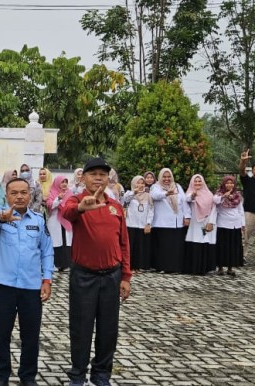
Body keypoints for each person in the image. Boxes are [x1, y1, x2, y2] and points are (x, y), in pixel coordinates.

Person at [59, 157, 131, 386]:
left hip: (111, 276)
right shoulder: (76, 201)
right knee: (81, 328)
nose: (99, 177)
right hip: (84, 276)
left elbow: (124, 244)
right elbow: (66, 212)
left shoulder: (116, 207)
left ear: (108, 178)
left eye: (103, 174)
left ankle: (101, 375)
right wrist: (82, 207)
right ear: (83, 178)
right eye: (93, 174)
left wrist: (126, 277)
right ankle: (78, 375)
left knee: (108, 330)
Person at [0, 177, 53, 386]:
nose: (19, 196)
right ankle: (1, 376)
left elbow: (47, 252)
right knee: (2, 334)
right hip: (3, 286)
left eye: (23, 192)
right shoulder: (0, 214)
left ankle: (27, 376)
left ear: (30, 194)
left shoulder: (38, 220)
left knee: (30, 336)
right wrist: (3, 216)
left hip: (31, 287)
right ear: (6, 196)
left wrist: (47, 279)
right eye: (14, 193)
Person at [150, 168, 190, 273]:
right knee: (163, 247)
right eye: (164, 176)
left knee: (176, 247)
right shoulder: (156, 186)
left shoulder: (177, 186)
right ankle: (162, 267)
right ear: (160, 177)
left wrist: (187, 216)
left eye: (168, 177)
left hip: (177, 222)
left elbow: (184, 201)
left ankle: (175, 267)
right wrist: (167, 193)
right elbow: (155, 196)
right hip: (162, 223)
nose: (167, 179)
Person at [182, 174, 217, 275]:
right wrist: (193, 195)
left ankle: (204, 268)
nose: (197, 183)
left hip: (206, 221)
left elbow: (214, 209)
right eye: (195, 181)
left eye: (199, 181)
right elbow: (187, 200)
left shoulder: (209, 194)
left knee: (204, 242)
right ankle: (192, 268)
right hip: (194, 222)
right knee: (194, 242)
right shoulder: (189, 193)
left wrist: (211, 222)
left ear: (203, 182)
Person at [214, 176, 245, 276]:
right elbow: (215, 201)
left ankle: (230, 268)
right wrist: (224, 196)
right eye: (227, 183)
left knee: (233, 247)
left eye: (231, 183)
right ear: (223, 184)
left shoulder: (238, 195)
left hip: (235, 225)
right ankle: (220, 267)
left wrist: (242, 224)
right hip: (222, 224)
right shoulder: (219, 193)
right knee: (222, 246)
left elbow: (241, 210)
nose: (229, 185)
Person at [121, 176, 153, 271]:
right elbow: (125, 201)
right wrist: (134, 192)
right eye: (138, 183)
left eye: (142, 183)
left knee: (141, 246)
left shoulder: (148, 196)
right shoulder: (129, 194)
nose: (140, 185)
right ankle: (129, 266)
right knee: (130, 246)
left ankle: (139, 266)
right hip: (131, 224)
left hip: (142, 225)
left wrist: (148, 223)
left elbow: (151, 210)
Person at [46, 175, 74, 271]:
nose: (64, 184)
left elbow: (73, 205)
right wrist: (58, 199)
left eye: (66, 182)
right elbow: (50, 206)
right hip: (55, 221)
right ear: (57, 183)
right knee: (55, 242)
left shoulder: (70, 193)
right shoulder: (52, 192)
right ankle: (55, 264)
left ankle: (66, 264)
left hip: (67, 220)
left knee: (67, 242)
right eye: (62, 182)